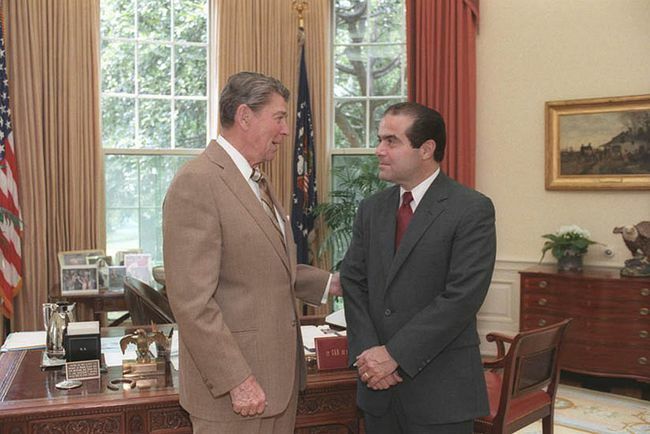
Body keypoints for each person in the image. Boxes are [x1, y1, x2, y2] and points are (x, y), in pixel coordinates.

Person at [163, 71, 341, 434]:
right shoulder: (198, 182)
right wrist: (237, 379)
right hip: (235, 393)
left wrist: (331, 283)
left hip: (277, 383)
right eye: (278, 118)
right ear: (244, 116)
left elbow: (262, 264)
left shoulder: (255, 179)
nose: (286, 131)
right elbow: (192, 302)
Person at [340, 102, 496, 434]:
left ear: (426, 149)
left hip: (441, 391)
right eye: (380, 139)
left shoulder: (470, 209)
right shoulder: (372, 209)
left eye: (391, 141)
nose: (379, 150)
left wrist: (394, 355)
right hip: (378, 389)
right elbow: (354, 282)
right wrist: (369, 354)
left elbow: (462, 297)